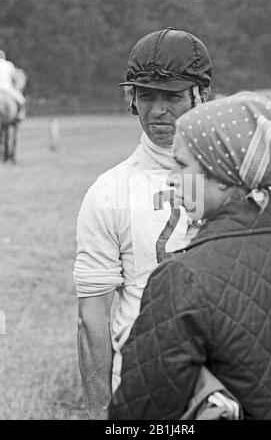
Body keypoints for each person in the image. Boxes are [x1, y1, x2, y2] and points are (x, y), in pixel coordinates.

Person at [109, 91, 271, 420]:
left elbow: (138, 417)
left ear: (224, 176)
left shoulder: (182, 280)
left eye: (182, 164)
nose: (172, 177)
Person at [73, 28, 212, 419]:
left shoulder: (233, 182)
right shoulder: (107, 191)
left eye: (172, 96)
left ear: (201, 95)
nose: (157, 111)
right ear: (131, 100)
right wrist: (102, 411)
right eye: (146, 95)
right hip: (143, 390)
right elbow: (92, 318)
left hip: (228, 384)